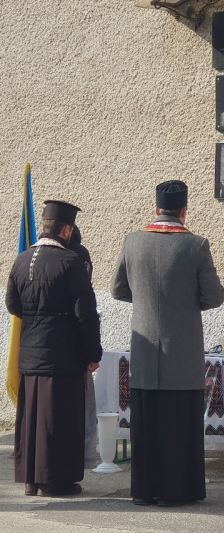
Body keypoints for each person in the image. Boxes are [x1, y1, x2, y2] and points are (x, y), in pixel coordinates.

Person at [110, 181, 224, 507]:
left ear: (156, 208)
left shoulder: (133, 242)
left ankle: (144, 491)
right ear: (184, 210)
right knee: (179, 426)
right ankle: (176, 492)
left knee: (146, 425)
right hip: (182, 354)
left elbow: (118, 289)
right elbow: (214, 296)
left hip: (146, 354)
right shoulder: (196, 245)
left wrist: (147, 299)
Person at [5, 200, 102, 497]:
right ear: (66, 229)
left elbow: (12, 304)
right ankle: (55, 482)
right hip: (62, 356)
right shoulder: (71, 262)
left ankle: (30, 481)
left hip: (31, 353)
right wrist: (92, 354)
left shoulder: (22, 259)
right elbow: (85, 313)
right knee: (57, 422)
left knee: (31, 421)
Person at [69, 225, 97, 470]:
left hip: (36, 351)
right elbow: (85, 311)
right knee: (79, 410)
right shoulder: (78, 257)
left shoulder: (29, 257)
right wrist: (92, 353)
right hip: (74, 348)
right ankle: (79, 460)